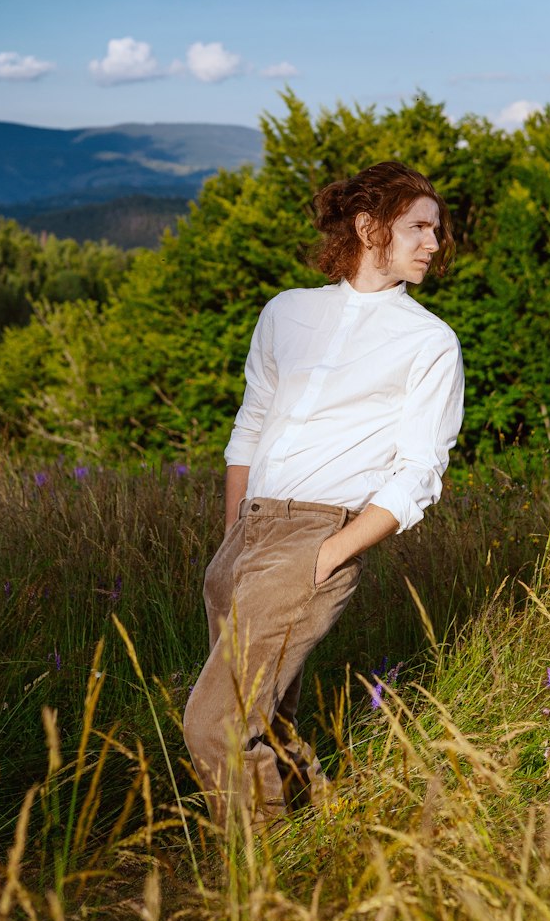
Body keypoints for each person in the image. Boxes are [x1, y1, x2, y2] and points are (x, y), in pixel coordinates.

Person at [183, 160, 464, 828]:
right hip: (245, 535)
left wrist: (328, 553)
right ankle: (319, 844)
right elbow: (249, 430)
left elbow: (419, 473)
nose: (434, 243)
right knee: (267, 718)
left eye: (437, 229)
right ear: (369, 227)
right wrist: (231, 540)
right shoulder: (287, 313)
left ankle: (261, 880)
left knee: (214, 722)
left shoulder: (429, 342)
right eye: (418, 227)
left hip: (316, 537)